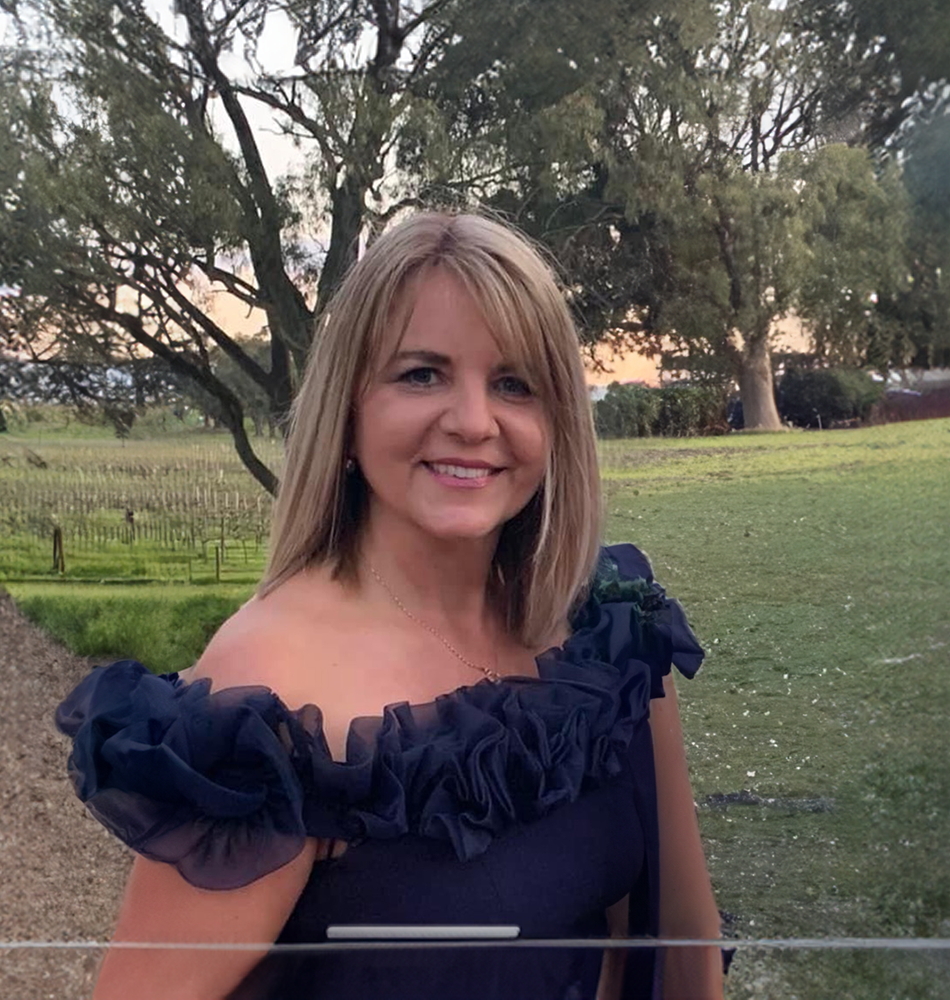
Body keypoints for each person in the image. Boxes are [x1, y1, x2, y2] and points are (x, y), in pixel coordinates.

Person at [56, 212, 724, 1000]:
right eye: (421, 374)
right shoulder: (266, 694)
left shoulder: (609, 632)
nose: (474, 422)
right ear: (347, 414)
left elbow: (684, 943)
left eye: (514, 384)